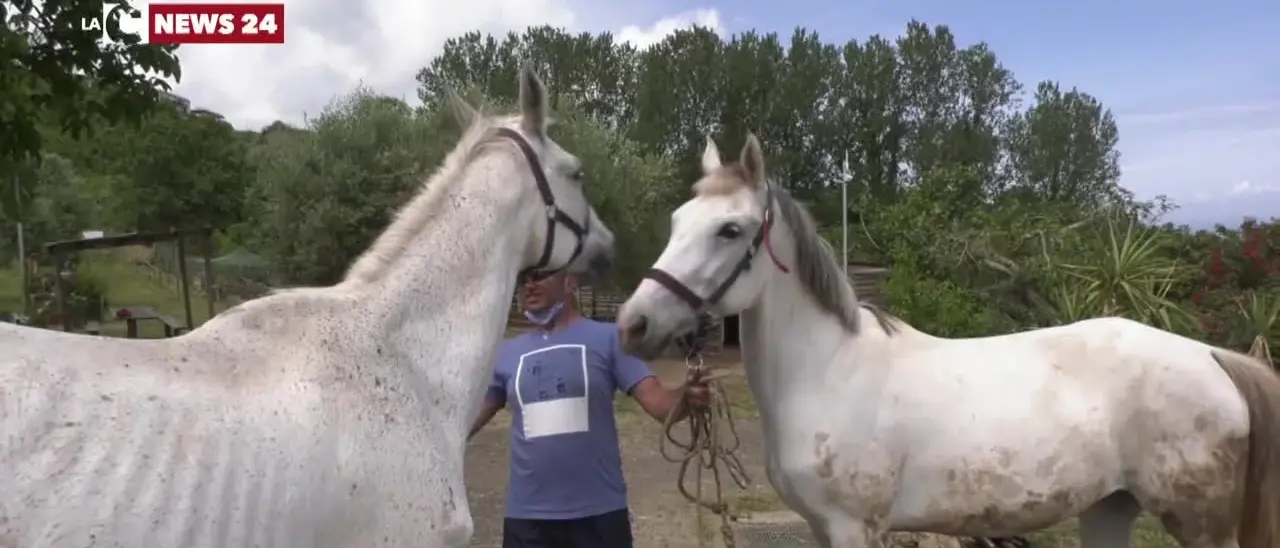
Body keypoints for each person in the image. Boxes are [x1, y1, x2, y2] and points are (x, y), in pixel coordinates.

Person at [470, 272, 709, 548]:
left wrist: (688, 397)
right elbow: (464, 424)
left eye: (542, 275)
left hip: (598, 516)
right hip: (527, 519)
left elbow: (660, 404)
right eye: (524, 279)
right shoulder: (507, 354)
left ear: (570, 283)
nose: (530, 285)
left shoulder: (610, 339)